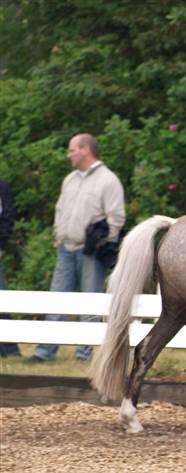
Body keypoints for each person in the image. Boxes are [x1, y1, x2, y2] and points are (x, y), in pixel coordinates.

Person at [29, 133, 125, 362]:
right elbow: (60, 210)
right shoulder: (70, 179)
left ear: (85, 150)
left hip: (91, 252)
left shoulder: (108, 180)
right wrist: (58, 234)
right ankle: (45, 351)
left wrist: (101, 243)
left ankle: (85, 351)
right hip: (66, 248)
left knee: (90, 301)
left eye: (72, 150)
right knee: (57, 299)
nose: (69, 154)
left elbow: (116, 217)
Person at [0, 178, 22, 357]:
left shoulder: (2, 186)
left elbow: (7, 217)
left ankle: (10, 348)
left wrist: (1, 244)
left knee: (1, 298)